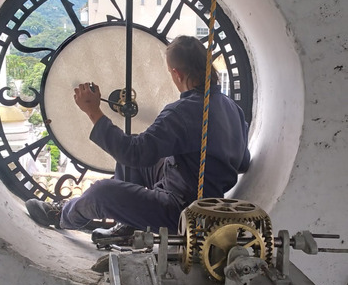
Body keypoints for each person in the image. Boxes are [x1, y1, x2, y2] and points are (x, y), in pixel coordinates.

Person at [26, 35, 250, 240]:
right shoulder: (233, 109)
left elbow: (134, 153)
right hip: (205, 202)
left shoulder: (183, 111)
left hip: (183, 213)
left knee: (103, 192)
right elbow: (242, 162)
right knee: (137, 149)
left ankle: (61, 216)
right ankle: (130, 226)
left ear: (176, 73)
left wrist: (93, 111)